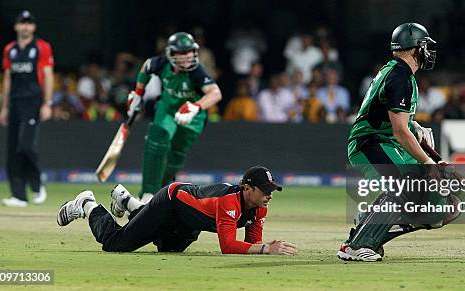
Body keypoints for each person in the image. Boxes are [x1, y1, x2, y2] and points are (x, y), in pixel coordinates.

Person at [338, 23, 458, 262]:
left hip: (381, 140)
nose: (429, 52)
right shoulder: (400, 75)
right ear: (414, 48)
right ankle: (358, 245)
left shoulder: (395, 71)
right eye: (425, 46)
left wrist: (415, 125)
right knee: (404, 186)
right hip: (369, 143)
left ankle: (369, 222)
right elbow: (399, 131)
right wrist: (427, 162)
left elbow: (385, 113)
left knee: (440, 206)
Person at [56, 166, 298, 255]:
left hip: (188, 221)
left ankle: (126, 201)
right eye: (265, 190)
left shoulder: (258, 208)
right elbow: (228, 247)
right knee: (116, 243)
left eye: (272, 190)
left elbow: (251, 243)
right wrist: (266, 249)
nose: (269, 195)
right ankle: (87, 204)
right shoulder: (229, 201)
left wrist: (263, 247)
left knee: (168, 247)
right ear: (247, 188)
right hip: (171, 202)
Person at [126, 32, 222, 202]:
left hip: (192, 117)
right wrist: (138, 94)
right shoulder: (161, 63)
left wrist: (195, 106)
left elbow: (215, 93)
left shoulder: (197, 72)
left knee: (175, 158)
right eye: (182, 52)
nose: (187, 56)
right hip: (168, 109)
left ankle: (160, 195)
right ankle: (148, 194)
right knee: (157, 138)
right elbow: (146, 67)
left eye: (190, 51)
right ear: (171, 54)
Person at [0, 11, 54, 207]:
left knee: (26, 146)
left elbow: (48, 75)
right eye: (22, 23)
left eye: (29, 23)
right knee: (13, 150)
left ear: (33, 27)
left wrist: (47, 103)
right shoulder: (10, 49)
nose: (25, 27)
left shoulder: (41, 47)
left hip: (33, 102)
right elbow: (7, 78)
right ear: (16, 26)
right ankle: (19, 196)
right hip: (14, 103)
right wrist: (5, 107)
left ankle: (38, 185)